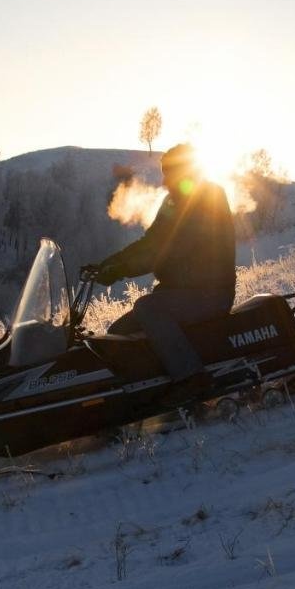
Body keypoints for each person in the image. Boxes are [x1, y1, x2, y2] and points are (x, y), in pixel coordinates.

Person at [88, 143, 235, 405]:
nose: (165, 180)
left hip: (210, 292)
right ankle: (144, 392)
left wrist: (121, 270)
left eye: (170, 173)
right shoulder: (174, 202)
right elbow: (151, 241)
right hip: (181, 292)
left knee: (148, 308)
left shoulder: (207, 199)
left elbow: (169, 248)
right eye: (165, 173)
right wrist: (108, 263)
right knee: (118, 334)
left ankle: (191, 377)